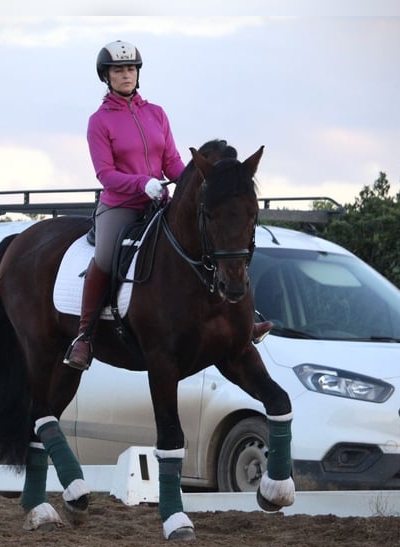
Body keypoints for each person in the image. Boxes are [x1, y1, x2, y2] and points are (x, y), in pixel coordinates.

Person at [63, 40, 272, 371]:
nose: (126, 75)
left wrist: (199, 184)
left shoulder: (156, 113)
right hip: (121, 205)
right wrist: (140, 183)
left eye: (131, 68)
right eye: (118, 70)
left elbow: (173, 161)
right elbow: (106, 174)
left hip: (161, 200)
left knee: (214, 243)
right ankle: (85, 336)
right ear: (107, 76)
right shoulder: (99, 121)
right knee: (104, 258)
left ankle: (243, 321)